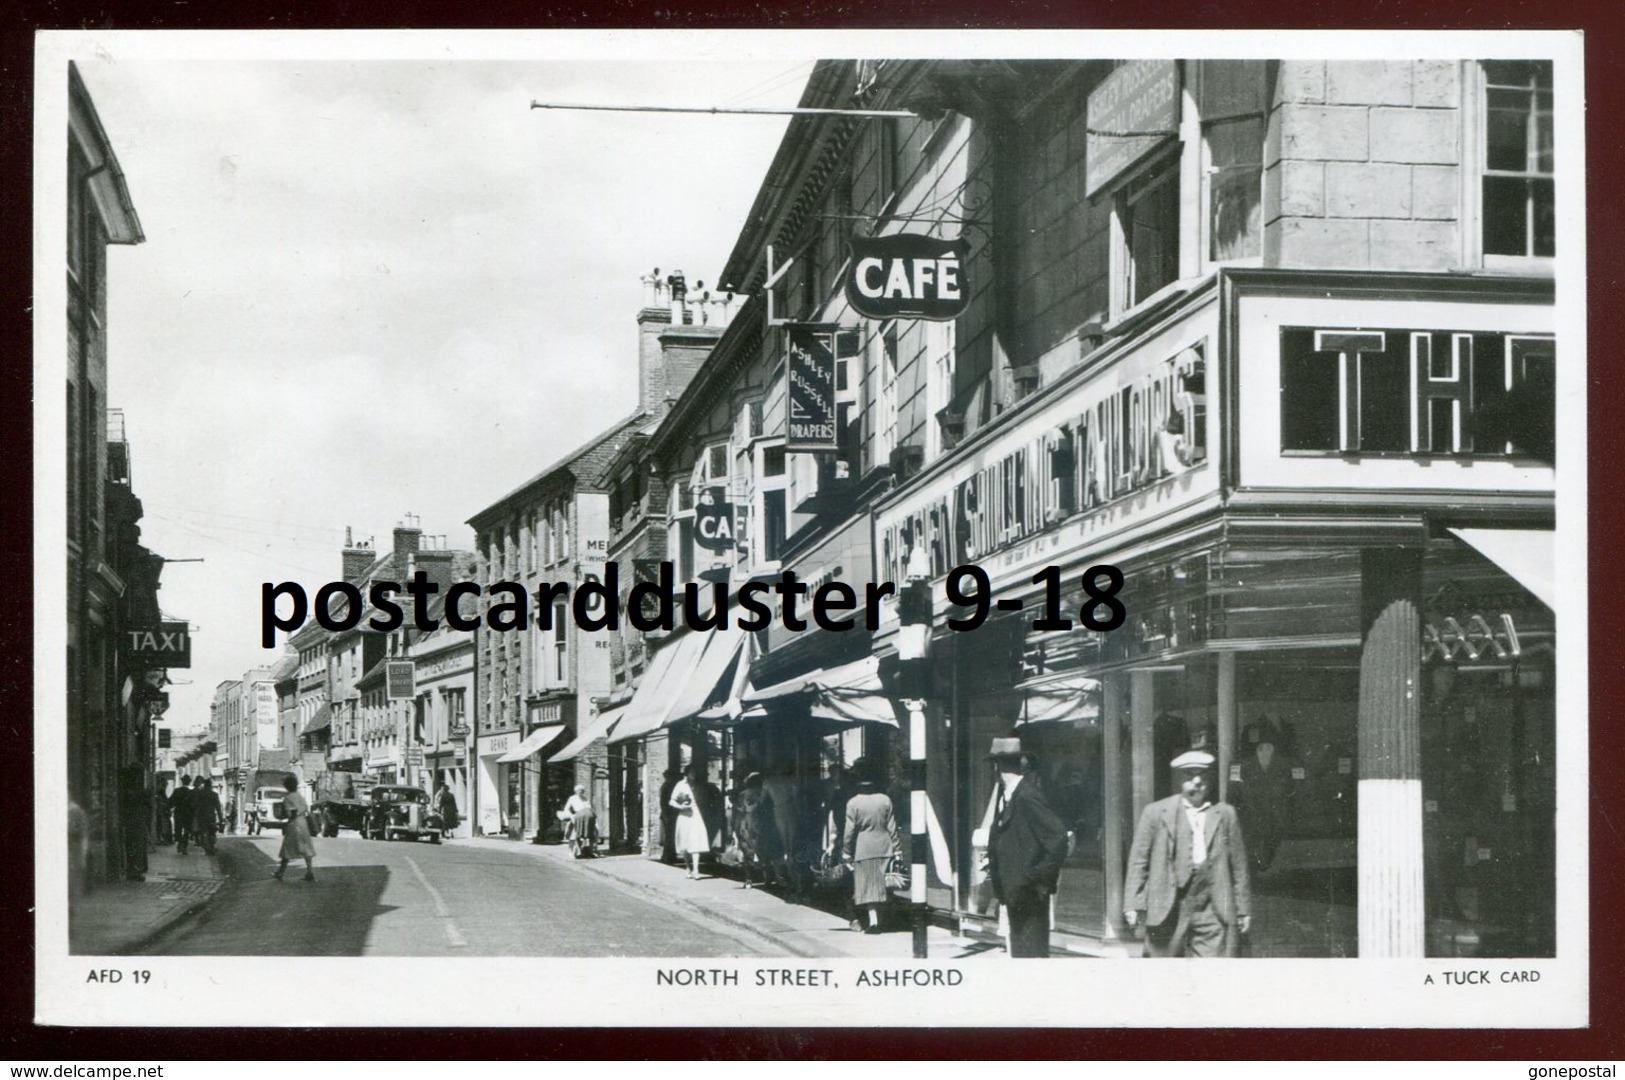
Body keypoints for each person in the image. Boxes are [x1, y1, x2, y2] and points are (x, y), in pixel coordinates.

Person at [1124, 750, 1252, 957]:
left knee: (1212, 973)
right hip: (1169, 905)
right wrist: (1132, 904)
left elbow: (1239, 865)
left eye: (1202, 775)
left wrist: (1243, 908)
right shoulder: (1156, 812)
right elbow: (1139, 861)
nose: (1197, 781)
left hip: (1211, 906)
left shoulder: (1225, 814)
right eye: (1190, 775)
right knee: (1164, 973)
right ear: (1179, 779)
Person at [983, 737, 1070, 958]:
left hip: (1028, 893)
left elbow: (1058, 838)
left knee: (1031, 954)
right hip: (1017, 892)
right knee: (1023, 952)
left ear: (998, 767)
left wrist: (1035, 878)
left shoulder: (1026, 796)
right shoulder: (1012, 795)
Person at [841, 758, 900, 934]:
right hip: (885, 847)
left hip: (864, 849)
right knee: (883, 886)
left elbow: (849, 832)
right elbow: (892, 827)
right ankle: (882, 920)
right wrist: (897, 849)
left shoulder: (853, 803)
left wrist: (846, 852)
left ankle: (874, 921)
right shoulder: (885, 800)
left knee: (867, 887)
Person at [735, 772, 785, 890]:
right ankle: (767, 877)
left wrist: (737, 828)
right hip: (762, 824)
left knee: (749, 852)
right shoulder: (764, 794)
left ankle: (749, 879)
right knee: (765, 851)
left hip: (747, 824)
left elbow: (740, 811)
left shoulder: (743, 794)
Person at [670, 765, 711, 879]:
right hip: (684, 815)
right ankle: (688, 867)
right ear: (686, 773)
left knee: (696, 841)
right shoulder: (680, 785)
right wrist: (680, 806)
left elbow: (704, 799)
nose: (694, 774)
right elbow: (671, 801)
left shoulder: (698, 785)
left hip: (696, 814)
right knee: (684, 845)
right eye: (692, 772)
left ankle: (696, 870)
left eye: (695, 772)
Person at [273, 775, 317, 882]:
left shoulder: (288, 798)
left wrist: (283, 816)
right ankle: (310, 872)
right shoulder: (299, 796)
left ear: (287, 786)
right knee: (306, 848)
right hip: (303, 823)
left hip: (294, 824)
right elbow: (305, 809)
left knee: (287, 848)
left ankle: (280, 872)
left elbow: (291, 814)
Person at [657, 768, 682, 865]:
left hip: (668, 814)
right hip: (669, 814)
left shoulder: (667, 786)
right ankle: (668, 857)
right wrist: (667, 814)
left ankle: (669, 856)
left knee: (670, 836)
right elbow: (663, 802)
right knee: (669, 836)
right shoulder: (667, 787)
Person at [563, 784, 596, 858]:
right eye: (579, 790)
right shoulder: (572, 798)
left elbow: (589, 807)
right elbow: (566, 808)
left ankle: (591, 850)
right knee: (574, 833)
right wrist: (571, 816)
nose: (581, 792)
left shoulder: (585, 798)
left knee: (594, 831)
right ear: (576, 791)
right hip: (577, 817)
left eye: (582, 791)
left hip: (587, 818)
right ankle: (572, 851)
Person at [192, 778, 223, 856]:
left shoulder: (200, 794)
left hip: (201, 816)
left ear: (204, 785)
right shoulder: (214, 795)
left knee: (203, 832)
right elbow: (218, 808)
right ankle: (211, 847)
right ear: (210, 785)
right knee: (212, 832)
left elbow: (196, 805)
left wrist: (195, 816)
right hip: (211, 816)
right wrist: (221, 818)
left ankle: (206, 848)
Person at [169, 775, 194, 854]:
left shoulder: (177, 791)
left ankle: (180, 842)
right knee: (187, 829)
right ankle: (184, 846)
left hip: (178, 812)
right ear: (189, 781)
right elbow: (194, 803)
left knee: (178, 828)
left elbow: (171, 802)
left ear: (182, 781)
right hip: (188, 813)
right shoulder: (191, 792)